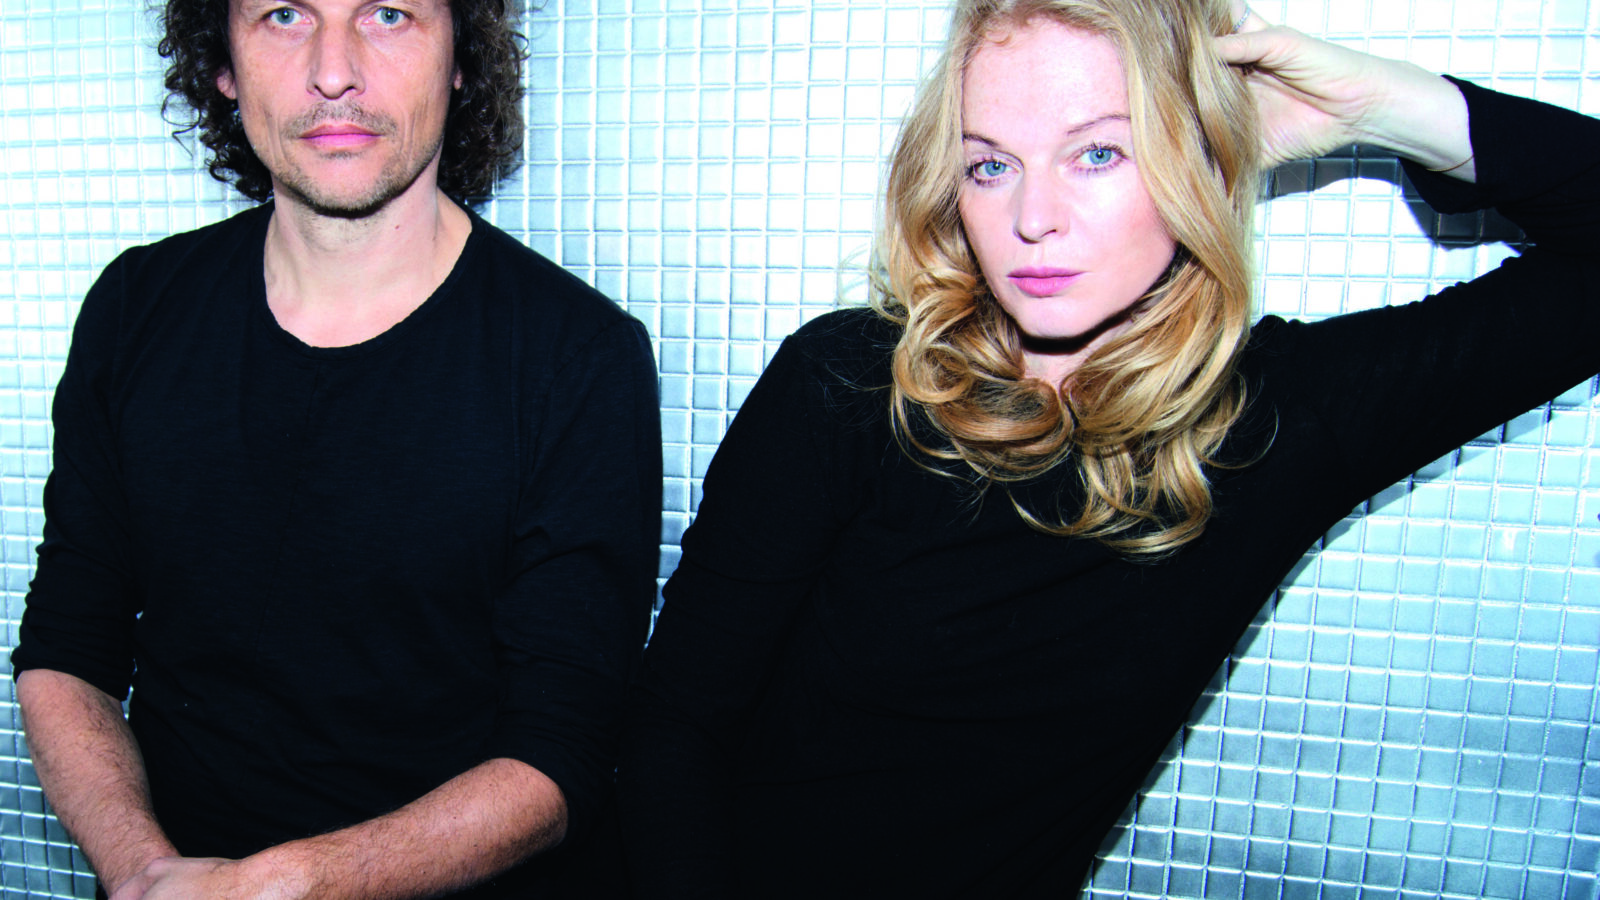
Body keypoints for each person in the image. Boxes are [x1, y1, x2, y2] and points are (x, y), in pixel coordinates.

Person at [617, 0, 1599, 895]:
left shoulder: (1274, 423)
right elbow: (673, 732)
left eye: (1097, 153)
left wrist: (1382, 107)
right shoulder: (852, 387)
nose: (1032, 218)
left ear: (1191, 162)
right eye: (989, 164)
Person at [9, 0, 660, 897]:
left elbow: (562, 752)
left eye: (388, 14)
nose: (333, 71)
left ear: (461, 59)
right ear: (222, 64)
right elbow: (66, 649)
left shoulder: (578, 357)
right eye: (284, 15)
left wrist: (283, 885)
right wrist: (145, 873)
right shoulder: (135, 309)